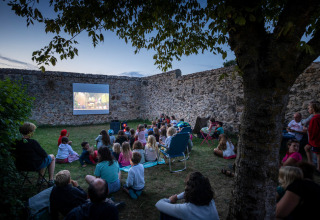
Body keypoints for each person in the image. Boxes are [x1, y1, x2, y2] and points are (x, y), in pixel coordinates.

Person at [155, 172, 219, 220]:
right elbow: (195, 190)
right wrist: (177, 197)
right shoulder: (210, 201)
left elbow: (158, 204)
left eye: (186, 184)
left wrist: (169, 200)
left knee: (165, 213)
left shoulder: (187, 209)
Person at [304, 100, 320, 172]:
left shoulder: (314, 119)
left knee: (318, 154)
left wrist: (306, 129)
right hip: (315, 140)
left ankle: (317, 169)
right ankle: (311, 164)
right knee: (307, 148)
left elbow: (314, 131)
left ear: (313, 109)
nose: (308, 109)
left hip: (315, 141)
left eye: (309, 108)